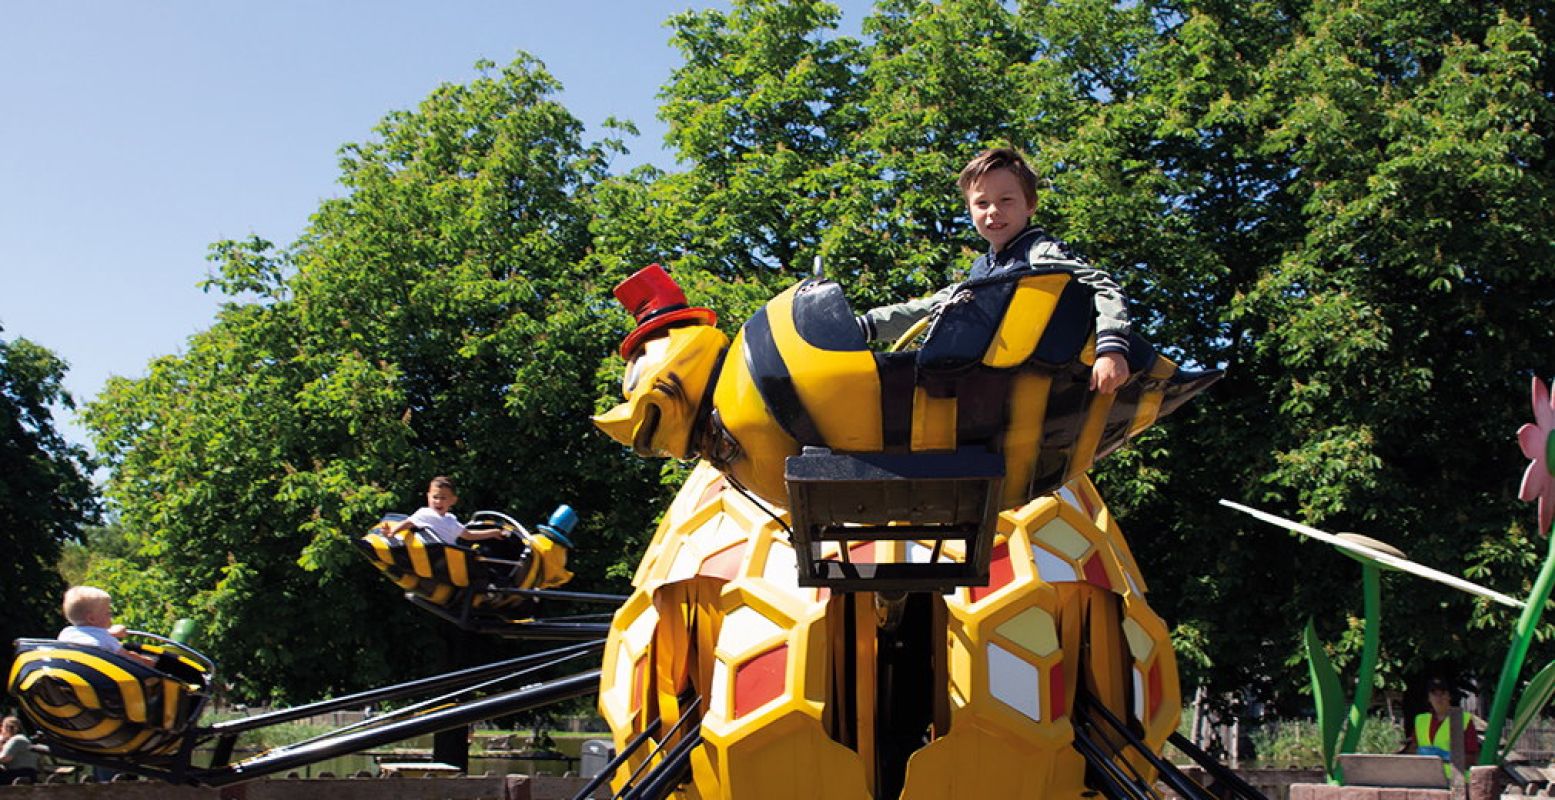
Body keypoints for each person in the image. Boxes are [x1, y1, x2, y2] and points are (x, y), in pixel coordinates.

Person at [857, 147, 1133, 394]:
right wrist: (858, 327)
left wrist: (1111, 350)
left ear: (1031, 204)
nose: (993, 212)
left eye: (1006, 200)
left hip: (1035, 379)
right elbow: (930, 309)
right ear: (969, 210)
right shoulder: (984, 273)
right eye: (982, 203)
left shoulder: (1038, 252)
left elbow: (1101, 286)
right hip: (988, 385)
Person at [386, 476, 508, 546]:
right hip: (439, 559)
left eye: (443, 498)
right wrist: (393, 531)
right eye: (435, 497)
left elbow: (468, 535)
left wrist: (493, 532)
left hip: (450, 560)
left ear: (453, 500)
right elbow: (409, 522)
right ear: (428, 496)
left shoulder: (451, 519)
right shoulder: (425, 513)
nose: (438, 502)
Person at [57, 586, 158, 669]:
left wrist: (109, 632)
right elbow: (130, 658)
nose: (111, 616)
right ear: (91, 618)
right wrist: (151, 662)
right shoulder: (106, 640)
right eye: (108, 613)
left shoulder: (66, 633)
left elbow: (91, 635)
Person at [1410, 676, 1480, 779]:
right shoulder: (1420, 720)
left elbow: (1472, 758)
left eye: (1442, 693)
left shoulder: (1463, 720)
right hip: (1426, 780)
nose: (1438, 698)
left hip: (1455, 782)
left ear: (1449, 696)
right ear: (1429, 698)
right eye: (1434, 693)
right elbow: (1413, 749)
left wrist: (1446, 758)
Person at [0, 716, 39, 785]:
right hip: (25, 774)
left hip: (20, 774)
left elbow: (4, 758)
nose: (1, 730)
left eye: (2, 727)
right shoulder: (21, 739)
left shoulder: (17, 739)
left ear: (8, 728)